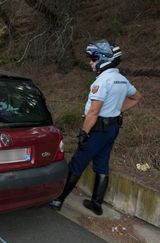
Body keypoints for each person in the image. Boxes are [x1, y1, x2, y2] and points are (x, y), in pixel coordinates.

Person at [49, 39, 142, 215]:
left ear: (103, 59)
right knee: (101, 163)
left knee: (78, 163)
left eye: (93, 58)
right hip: (113, 129)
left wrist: (84, 133)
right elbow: (137, 97)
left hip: (97, 130)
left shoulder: (102, 82)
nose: (91, 62)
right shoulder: (122, 80)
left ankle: (57, 199)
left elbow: (93, 112)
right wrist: (116, 109)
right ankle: (96, 204)